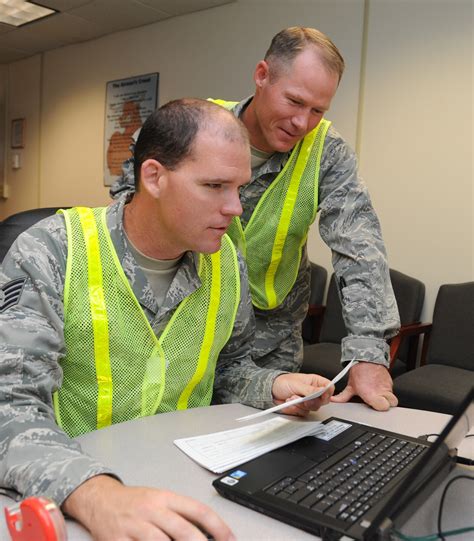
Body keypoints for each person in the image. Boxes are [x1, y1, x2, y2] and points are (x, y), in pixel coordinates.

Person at [0, 98, 333, 541]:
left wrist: (270, 386)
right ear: (154, 177)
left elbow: (228, 369)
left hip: (184, 479)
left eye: (239, 187)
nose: (236, 208)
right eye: (215, 186)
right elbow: (9, 404)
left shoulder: (226, 262)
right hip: (72, 486)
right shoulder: (54, 250)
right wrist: (94, 493)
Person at [110, 27, 401, 412]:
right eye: (294, 101)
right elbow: (132, 217)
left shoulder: (327, 153)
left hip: (270, 337)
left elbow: (359, 247)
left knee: (264, 449)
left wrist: (368, 350)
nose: (302, 122)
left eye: (317, 110)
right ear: (262, 75)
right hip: (188, 325)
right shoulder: (191, 130)